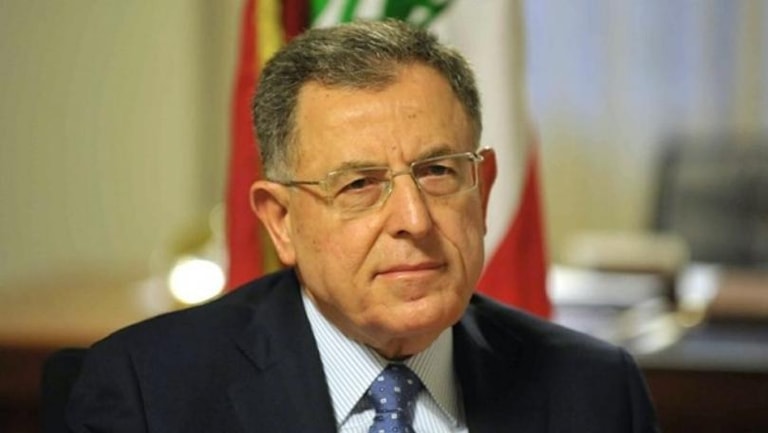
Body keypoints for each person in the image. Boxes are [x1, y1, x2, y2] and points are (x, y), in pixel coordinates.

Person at [67, 20, 659, 432]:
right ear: (280, 221)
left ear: (483, 191)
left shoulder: (596, 391)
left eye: (437, 172)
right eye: (358, 185)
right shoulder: (150, 395)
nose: (414, 221)